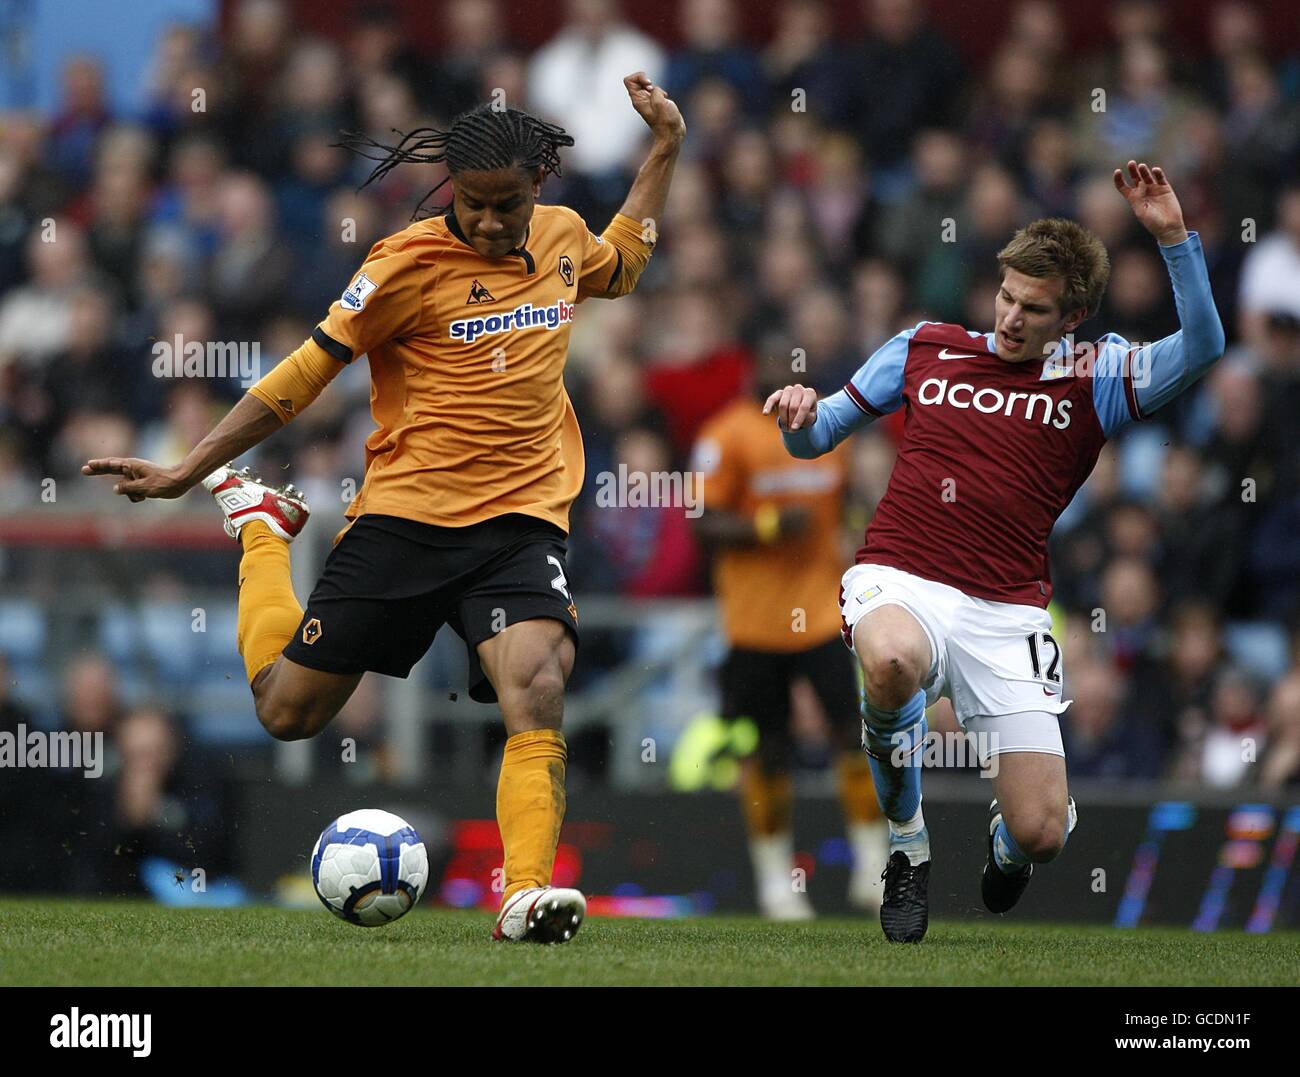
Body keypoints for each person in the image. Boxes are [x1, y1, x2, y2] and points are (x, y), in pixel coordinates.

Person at [83, 73, 686, 945]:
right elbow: (303, 374)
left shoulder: (560, 239)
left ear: (538, 189)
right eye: (473, 206)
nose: (488, 222)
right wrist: (190, 470)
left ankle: (523, 896)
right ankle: (259, 529)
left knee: (539, 686)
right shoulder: (402, 264)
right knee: (288, 712)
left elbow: (623, 262)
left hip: (518, 526)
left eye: (505, 206)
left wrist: (663, 148)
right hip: (405, 518)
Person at [765, 161, 1225, 942]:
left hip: (1007, 610)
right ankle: (907, 846)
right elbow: (820, 436)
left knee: (1043, 833)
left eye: (1033, 308)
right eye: (1006, 296)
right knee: (890, 661)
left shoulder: (1095, 373)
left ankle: (1005, 849)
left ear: (1071, 315)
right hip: (899, 573)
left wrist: (1175, 240)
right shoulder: (925, 346)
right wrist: (797, 416)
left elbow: (1205, 347)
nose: (1010, 318)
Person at [693, 357, 887, 920]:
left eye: (791, 366)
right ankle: (776, 882)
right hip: (754, 622)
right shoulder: (726, 434)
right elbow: (701, 518)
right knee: (767, 748)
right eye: (772, 364)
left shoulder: (827, 426)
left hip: (823, 611)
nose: (782, 375)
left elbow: (848, 499)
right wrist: (769, 526)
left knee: (853, 732)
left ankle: (872, 867)